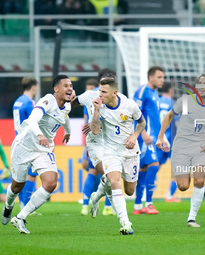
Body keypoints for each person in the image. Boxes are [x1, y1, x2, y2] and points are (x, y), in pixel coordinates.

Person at [1, 74, 73, 234]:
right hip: (24, 146)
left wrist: (68, 132)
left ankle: (20, 218)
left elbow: (65, 117)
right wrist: (40, 134)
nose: (70, 88)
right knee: (17, 186)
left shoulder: (66, 106)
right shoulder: (48, 100)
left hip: (43, 149)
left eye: (71, 85)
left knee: (51, 182)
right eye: (66, 85)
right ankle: (8, 205)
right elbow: (32, 119)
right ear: (56, 89)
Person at [157, 73, 205, 227]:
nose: (201, 86)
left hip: (201, 148)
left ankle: (191, 218)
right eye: (200, 83)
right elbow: (169, 116)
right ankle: (186, 172)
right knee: (182, 186)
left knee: (200, 180)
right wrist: (161, 137)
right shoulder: (186, 100)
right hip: (181, 147)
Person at [90, 74, 146, 235]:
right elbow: (94, 130)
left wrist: (134, 136)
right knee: (115, 181)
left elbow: (142, 122)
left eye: (104, 92)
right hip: (110, 152)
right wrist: (96, 111)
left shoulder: (129, 105)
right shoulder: (99, 106)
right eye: (100, 91)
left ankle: (98, 193)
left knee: (130, 191)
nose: (100, 95)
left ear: (114, 93)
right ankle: (126, 223)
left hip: (130, 153)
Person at [76, 76, 115, 216]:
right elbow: (88, 124)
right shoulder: (94, 99)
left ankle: (87, 204)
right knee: (108, 174)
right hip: (97, 141)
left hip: (100, 141)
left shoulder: (91, 98)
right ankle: (107, 207)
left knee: (99, 174)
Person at [133, 66, 165, 215]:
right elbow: (135, 112)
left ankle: (138, 206)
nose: (162, 80)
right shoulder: (143, 91)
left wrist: (161, 137)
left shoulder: (155, 94)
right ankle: (149, 203)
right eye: (159, 77)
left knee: (144, 170)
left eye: (163, 77)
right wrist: (143, 133)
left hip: (153, 137)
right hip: (145, 137)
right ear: (150, 77)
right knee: (154, 165)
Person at [11, 77, 40, 212]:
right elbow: (33, 122)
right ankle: (26, 206)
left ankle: (23, 205)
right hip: (28, 141)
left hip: (18, 139)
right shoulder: (29, 103)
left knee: (22, 177)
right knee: (31, 176)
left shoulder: (17, 101)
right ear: (33, 87)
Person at [158, 82, 180, 203]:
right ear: (171, 90)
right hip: (172, 140)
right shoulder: (174, 103)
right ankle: (169, 195)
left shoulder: (157, 101)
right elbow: (178, 122)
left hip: (159, 139)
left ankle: (145, 192)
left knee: (153, 167)